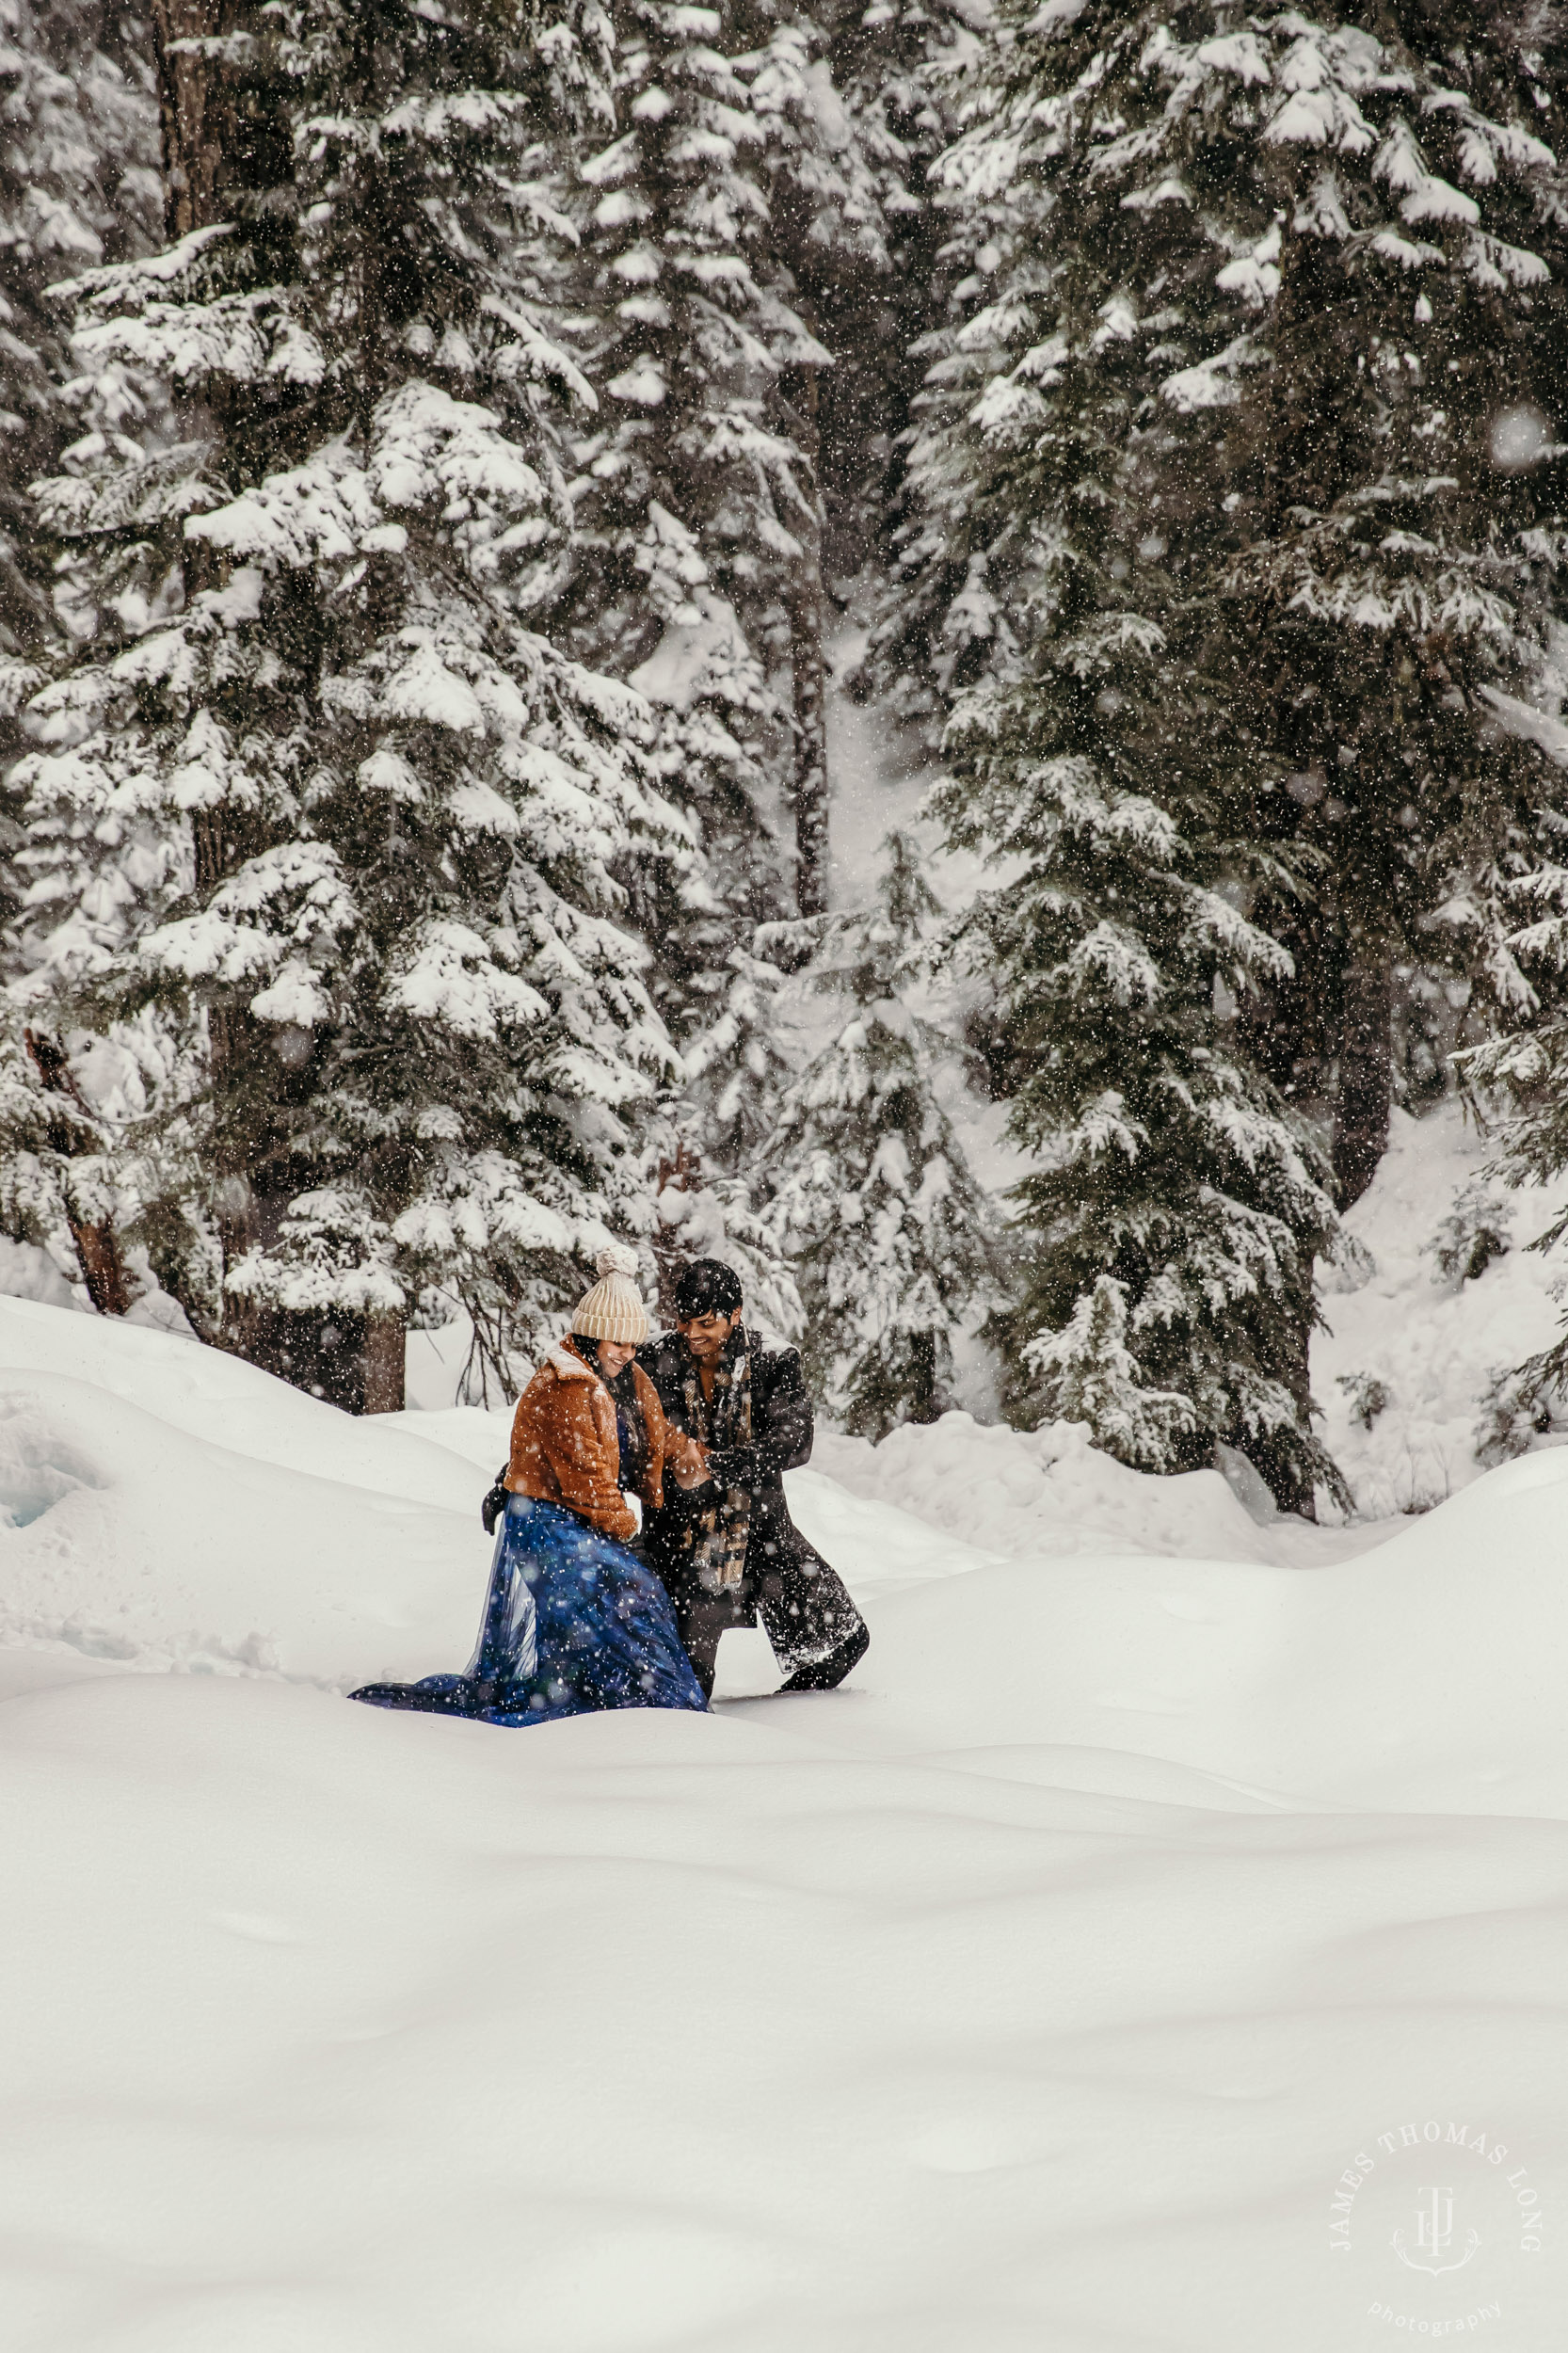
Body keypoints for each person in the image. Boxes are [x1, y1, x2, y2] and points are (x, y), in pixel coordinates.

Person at [351, 1248, 710, 1725]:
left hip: (575, 1521)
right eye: (617, 1342)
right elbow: (585, 1477)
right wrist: (623, 1529)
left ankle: (593, 1700)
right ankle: (635, 1707)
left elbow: (654, 1432)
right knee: (632, 1589)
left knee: (582, 1620)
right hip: (545, 1524)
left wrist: (694, 1454)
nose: (626, 1352)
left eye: (632, 1343)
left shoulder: (626, 1377)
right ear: (593, 1333)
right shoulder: (567, 1385)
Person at [637, 1258, 870, 1701]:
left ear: (737, 1313)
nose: (693, 1333)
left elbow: (795, 1441)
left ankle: (784, 1721)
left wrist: (718, 1464)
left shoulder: (774, 1360)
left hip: (760, 1528)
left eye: (707, 1323)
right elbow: (599, 1421)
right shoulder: (653, 1356)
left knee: (844, 1640)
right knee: (689, 1683)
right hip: (679, 1536)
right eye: (685, 1322)